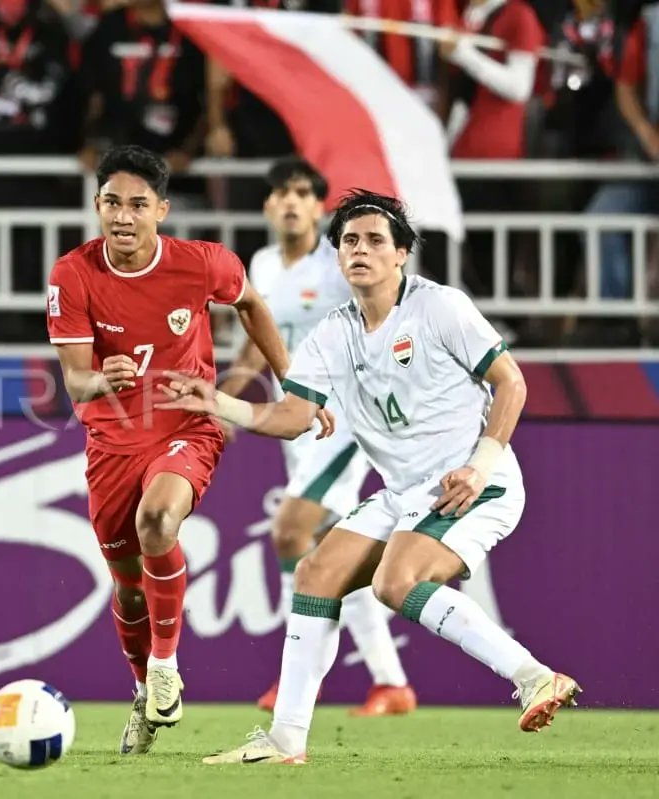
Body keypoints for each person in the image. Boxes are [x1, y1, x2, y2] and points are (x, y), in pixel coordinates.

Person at [158, 189, 580, 765]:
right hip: (405, 492)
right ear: (337, 255)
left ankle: (534, 676)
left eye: (376, 240)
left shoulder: (440, 307)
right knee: (314, 573)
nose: (361, 250)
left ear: (402, 253)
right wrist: (218, 404)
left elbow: (512, 382)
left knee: (394, 583)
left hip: (478, 483)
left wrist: (479, 465)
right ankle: (286, 740)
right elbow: (294, 417)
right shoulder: (332, 333)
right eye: (350, 241)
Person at [45, 144, 307, 755]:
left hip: (186, 422)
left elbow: (251, 304)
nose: (124, 217)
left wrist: (293, 384)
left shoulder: (201, 264)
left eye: (138, 204)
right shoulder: (73, 275)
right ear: (97, 205)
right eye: (113, 203)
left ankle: (166, 665)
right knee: (128, 586)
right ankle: (143, 690)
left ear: (161, 209)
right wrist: (97, 379)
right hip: (111, 441)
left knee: (158, 519)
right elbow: (75, 380)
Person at [218, 158, 416, 717]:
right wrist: (231, 400)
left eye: (302, 193)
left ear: (317, 206)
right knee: (334, 552)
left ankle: (297, 679)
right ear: (266, 205)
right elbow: (262, 341)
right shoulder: (261, 264)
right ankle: (391, 682)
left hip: (346, 422)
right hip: (297, 424)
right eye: (280, 192)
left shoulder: (337, 264)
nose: (289, 201)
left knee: (289, 533)